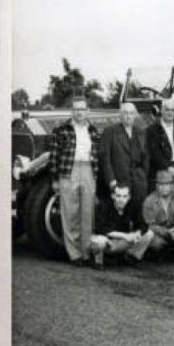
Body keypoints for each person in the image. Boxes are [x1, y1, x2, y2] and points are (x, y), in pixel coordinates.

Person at [48, 96, 102, 266]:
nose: (79, 112)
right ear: (72, 111)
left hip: (87, 170)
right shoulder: (61, 130)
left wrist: (95, 174)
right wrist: (55, 178)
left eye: (82, 109)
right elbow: (54, 155)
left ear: (87, 111)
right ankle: (74, 254)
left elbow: (97, 155)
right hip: (68, 171)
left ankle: (86, 253)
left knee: (87, 214)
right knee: (70, 213)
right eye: (76, 109)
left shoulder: (93, 130)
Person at [99, 102, 149, 207]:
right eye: (125, 113)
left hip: (139, 181)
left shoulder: (141, 132)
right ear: (120, 115)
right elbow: (105, 159)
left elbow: (146, 156)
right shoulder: (110, 132)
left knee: (139, 214)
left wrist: (144, 175)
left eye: (131, 113)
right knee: (120, 216)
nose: (128, 116)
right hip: (119, 182)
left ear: (135, 115)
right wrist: (112, 181)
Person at [88, 182, 148, 270]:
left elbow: (143, 224)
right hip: (107, 242)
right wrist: (125, 236)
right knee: (99, 241)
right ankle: (98, 262)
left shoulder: (133, 205)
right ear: (113, 196)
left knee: (148, 234)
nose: (121, 199)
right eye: (118, 196)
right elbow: (101, 229)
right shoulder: (104, 205)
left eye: (124, 196)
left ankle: (130, 258)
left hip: (123, 241)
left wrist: (137, 233)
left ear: (129, 197)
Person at [136, 170, 174, 261]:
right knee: (155, 242)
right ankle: (160, 254)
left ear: (172, 185)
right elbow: (149, 224)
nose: (163, 188)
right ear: (156, 186)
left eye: (166, 184)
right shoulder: (149, 201)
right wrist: (166, 232)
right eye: (160, 184)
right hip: (160, 232)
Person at [146, 97, 174, 192]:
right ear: (161, 111)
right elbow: (154, 153)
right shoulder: (151, 130)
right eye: (167, 110)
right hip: (162, 171)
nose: (170, 113)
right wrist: (169, 169)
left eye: (172, 110)